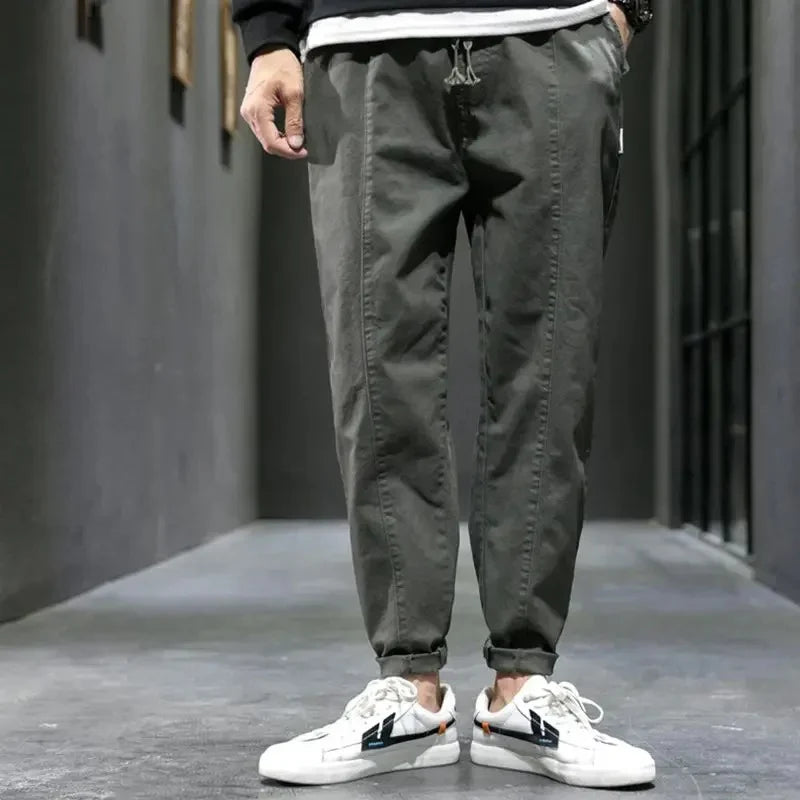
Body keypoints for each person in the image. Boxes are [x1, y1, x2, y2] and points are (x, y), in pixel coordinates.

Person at [233, 0, 655, 789]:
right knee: (376, 371)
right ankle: (409, 692)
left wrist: (627, 9)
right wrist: (266, 34)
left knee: (549, 372)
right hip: (362, 46)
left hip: (554, 35)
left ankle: (523, 691)